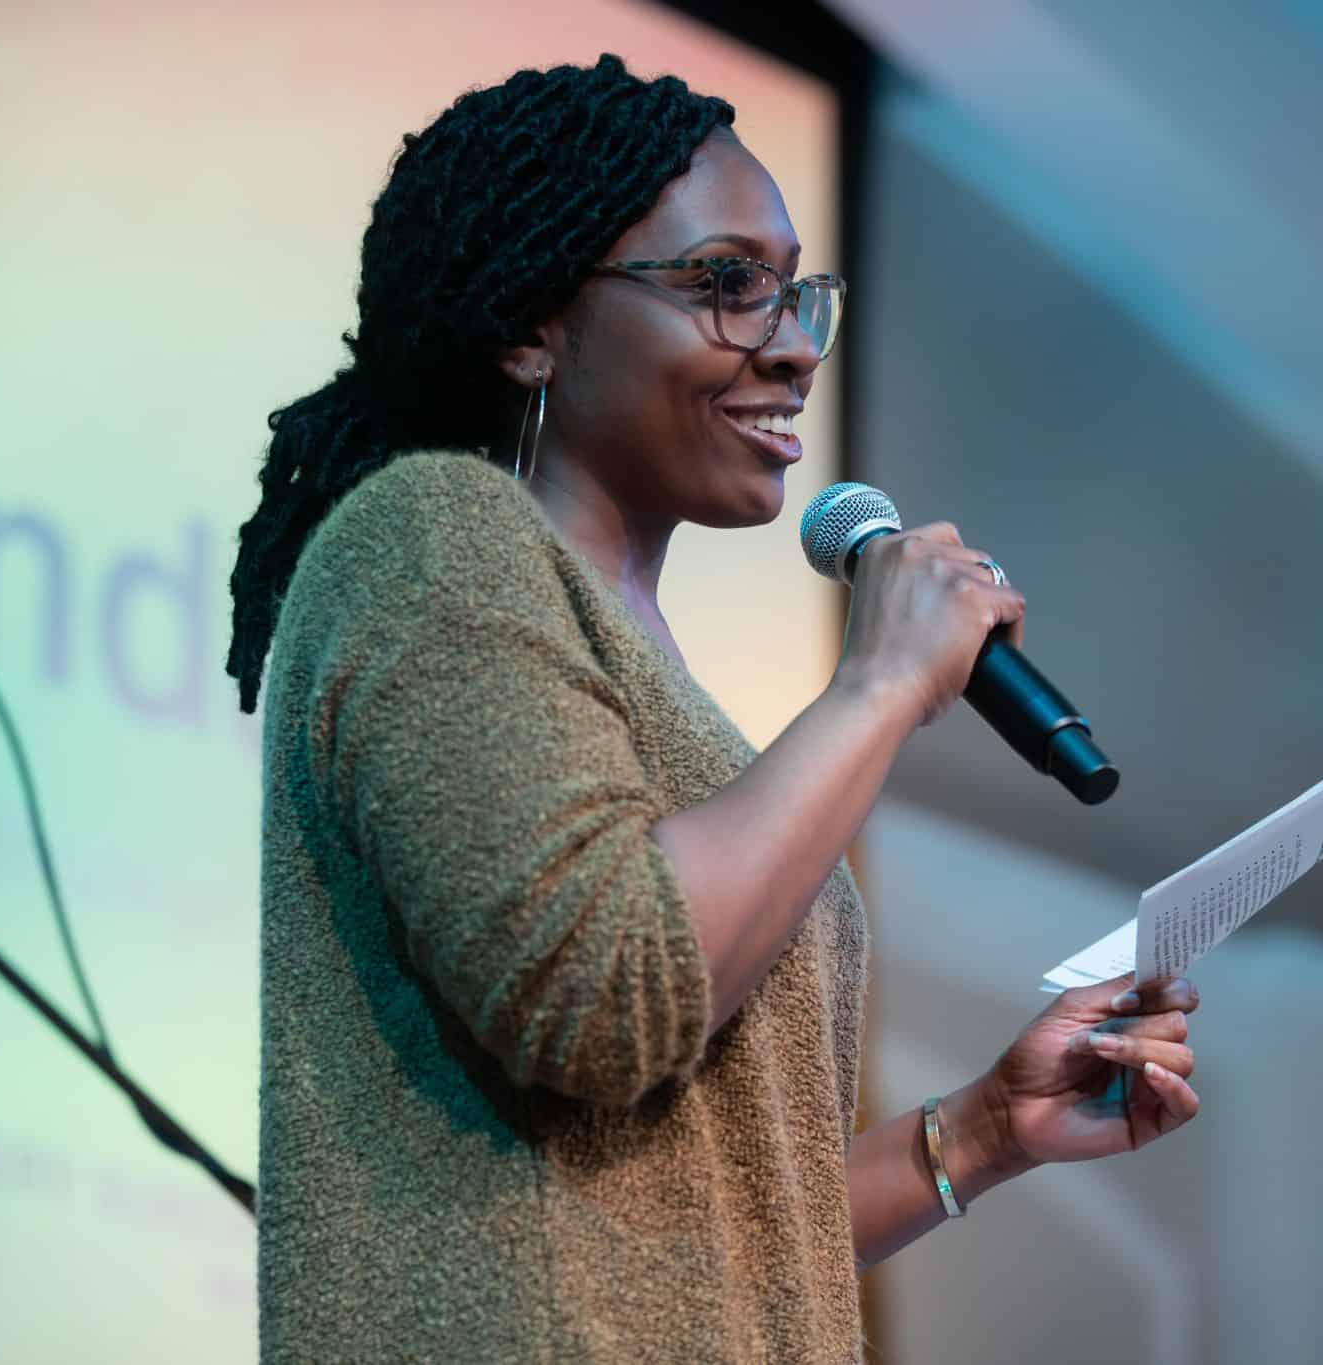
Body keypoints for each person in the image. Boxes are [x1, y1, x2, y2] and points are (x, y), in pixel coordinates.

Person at [226, 54, 1202, 1364]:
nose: (795, 344)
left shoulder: (678, 705)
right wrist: (883, 679)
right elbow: (615, 991)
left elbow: (722, 1223)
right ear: (532, 320)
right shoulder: (430, 544)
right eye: (728, 285)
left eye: (796, 291)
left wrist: (979, 1128)